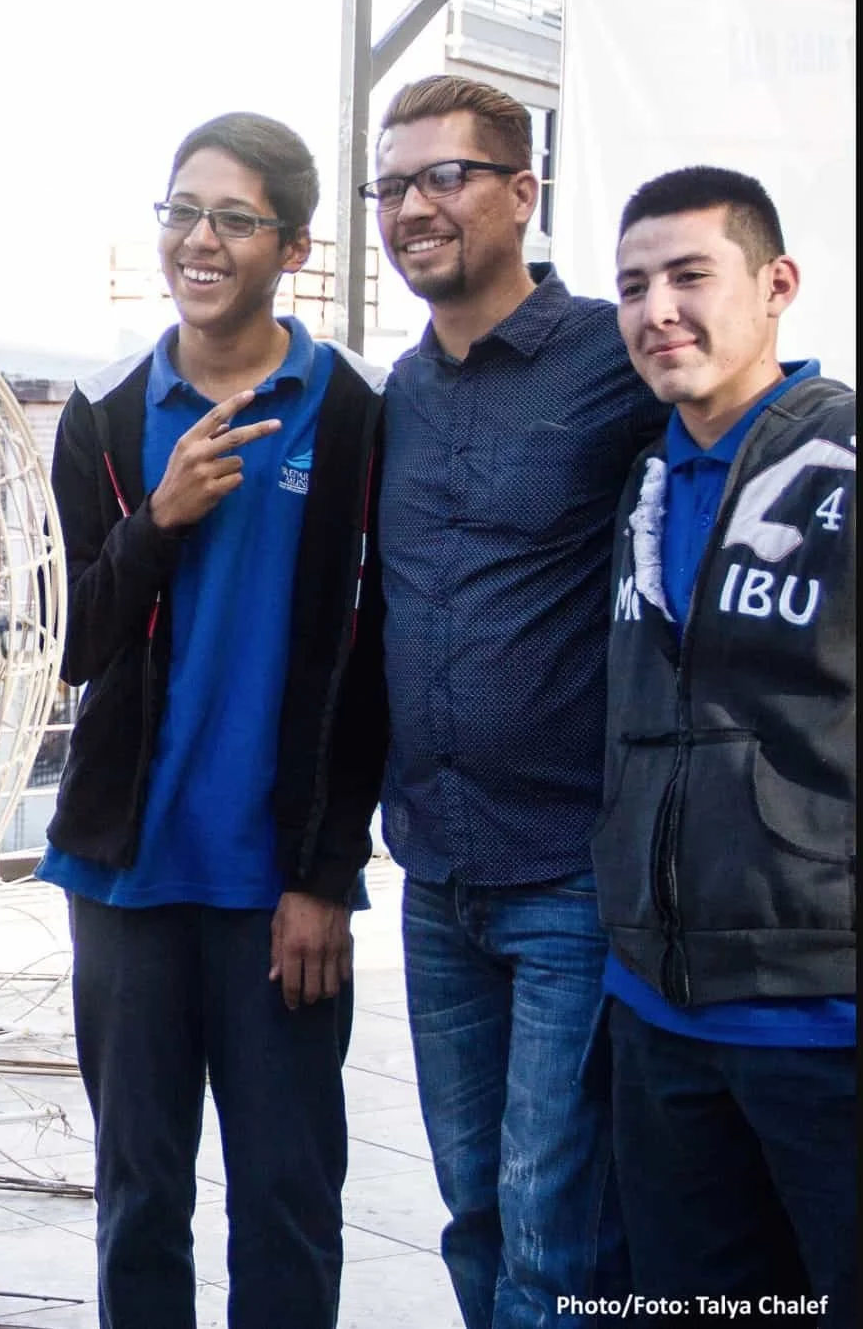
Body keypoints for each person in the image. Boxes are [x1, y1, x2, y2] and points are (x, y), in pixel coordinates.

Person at [41, 112, 389, 1329]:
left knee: (288, 1201)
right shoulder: (104, 414)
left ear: (291, 247)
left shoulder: (352, 411)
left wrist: (325, 874)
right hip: (124, 880)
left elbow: (375, 659)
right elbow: (71, 642)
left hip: (276, 890)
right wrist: (161, 517)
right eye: (180, 211)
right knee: (139, 1199)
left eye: (233, 219)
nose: (198, 239)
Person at [368, 75, 660, 1328]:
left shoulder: (613, 356)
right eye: (391, 185)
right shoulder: (402, 392)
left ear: (524, 194)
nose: (413, 207)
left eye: (446, 177)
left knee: (556, 1222)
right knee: (472, 1209)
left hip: (570, 874)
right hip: (436, 875)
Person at [596, 166, 853, 1326]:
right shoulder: (642, 480)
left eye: (690, 276)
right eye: (633, 285)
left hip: (824, 1018)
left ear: (776, 284)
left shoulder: (842, 464)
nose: (659, 310)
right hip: (658, 1012)